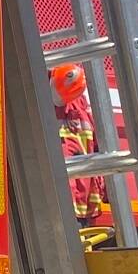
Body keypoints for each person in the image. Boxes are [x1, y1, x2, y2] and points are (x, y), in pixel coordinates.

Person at [51, 61, 106, 224]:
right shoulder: (36, 100)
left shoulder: (81, 105)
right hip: (58, 200)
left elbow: (98, 147)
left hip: (82, 201)